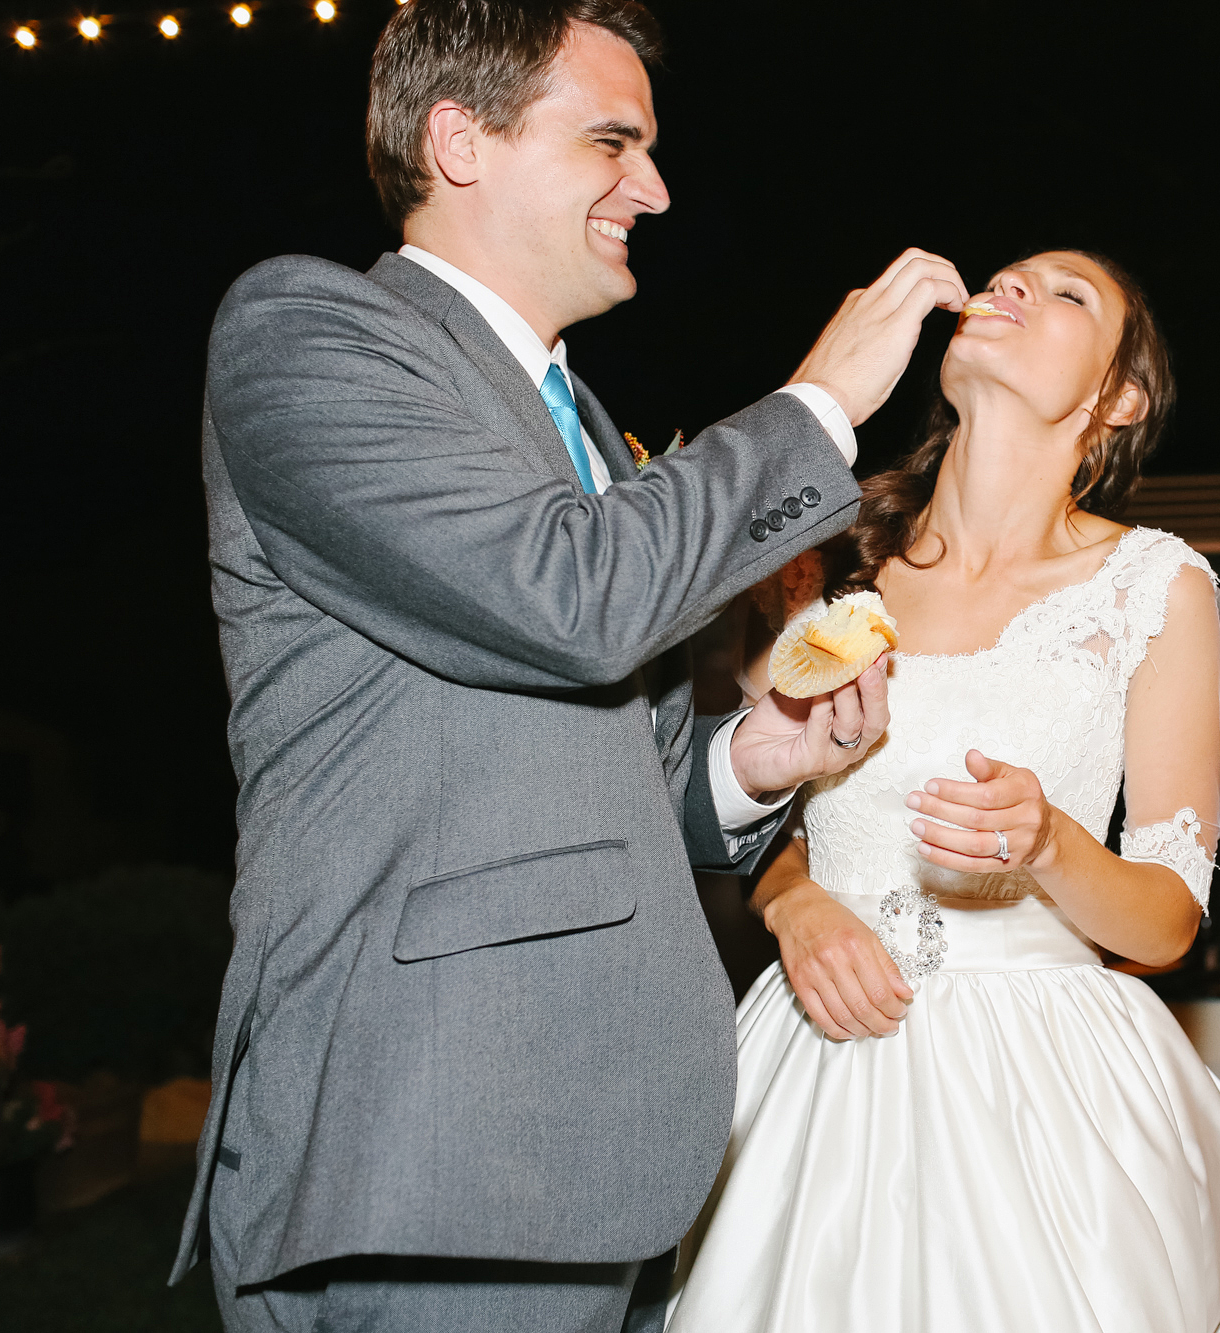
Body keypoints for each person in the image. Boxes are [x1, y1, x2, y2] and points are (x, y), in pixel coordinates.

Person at [171, 1, 971, 1329]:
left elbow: (611, 776)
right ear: (460, 140)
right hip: (432, 1144)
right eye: (613, 141)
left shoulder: (582, 424)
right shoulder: (309, 336)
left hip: (589, 1150)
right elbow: (577, 599)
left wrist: (752, 761)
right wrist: (820, 403)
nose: (652, 188)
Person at [668, 251, 1220, 1332]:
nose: (1016, 288)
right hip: (820, 1053)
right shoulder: (819, 558)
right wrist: (790, 903)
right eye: (1008, 278)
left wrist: (1049, 844)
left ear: (1116, 398)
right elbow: (737, 801)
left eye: (1067, 293)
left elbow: (1167, 920)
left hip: (1042, 1092)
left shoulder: (1155, 588)